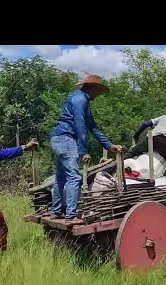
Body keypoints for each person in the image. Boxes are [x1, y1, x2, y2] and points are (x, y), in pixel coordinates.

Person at [50, 74, 123, 224]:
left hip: (58, 139)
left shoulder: (82, 100)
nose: (99, 94)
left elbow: (93, 127)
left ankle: (56, 211)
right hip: (66, 139)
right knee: (74, 177)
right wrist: (83, 151)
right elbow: (81, 127)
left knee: (61, 177)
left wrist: (109, 145)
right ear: (92, 87)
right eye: (99, 90)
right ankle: (71, 216)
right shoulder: (80, 100)